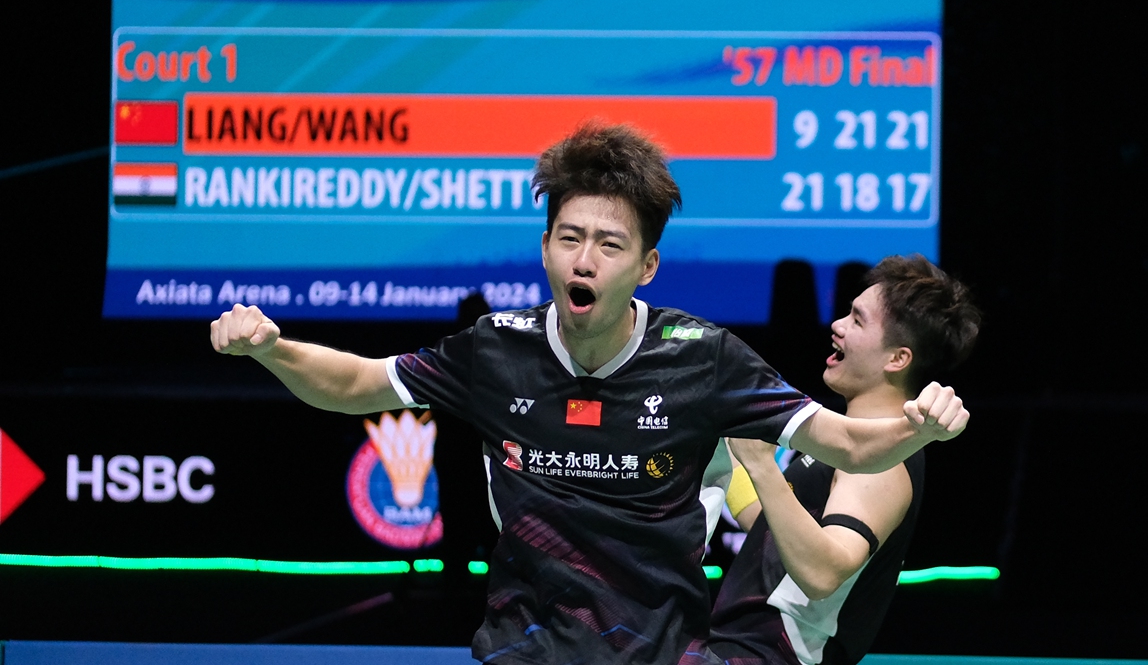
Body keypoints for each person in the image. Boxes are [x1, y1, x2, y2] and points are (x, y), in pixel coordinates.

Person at [210, 124, 969, 665]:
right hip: (522, 648)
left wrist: (920, 427)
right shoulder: (495, 349)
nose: (585, 259)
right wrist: (275, 349)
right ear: (545, 248)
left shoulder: (704, 360)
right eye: (570, 238)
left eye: (610, 245)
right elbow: (357, 383)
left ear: (646, 266)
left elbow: (849, 445)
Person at [709, 255, 981, 665]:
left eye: (857, 320)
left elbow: (823, 574)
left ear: (897, 359)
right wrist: (735, 455)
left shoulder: (880, 463)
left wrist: (764, 467)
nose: (837, 325)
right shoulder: (843, 444)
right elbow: (774, 533)